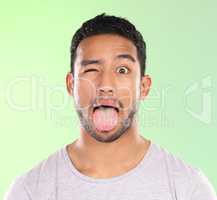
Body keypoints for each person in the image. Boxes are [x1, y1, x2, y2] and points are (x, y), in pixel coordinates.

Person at [4, 13, 217, 200]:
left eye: (122, 70)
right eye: (91, 70)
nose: (105, 85)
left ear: (143, 87)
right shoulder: (29, 191)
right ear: (71, 85)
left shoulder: (188, 188)